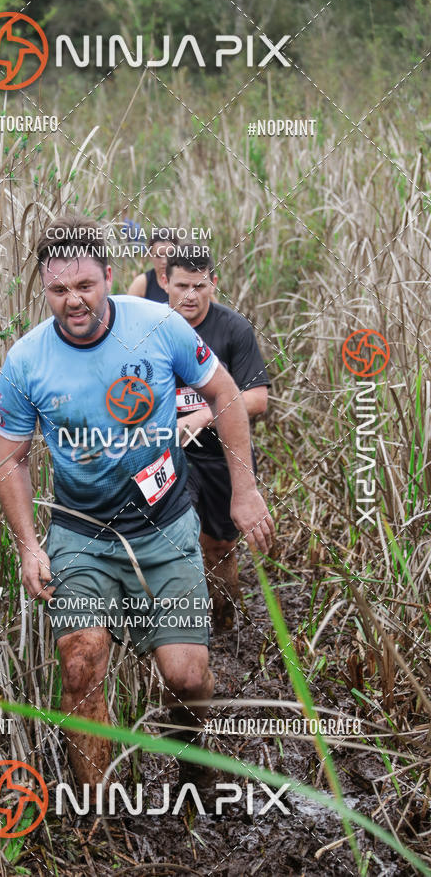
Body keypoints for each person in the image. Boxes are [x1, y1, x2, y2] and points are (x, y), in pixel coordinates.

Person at [0, 215, 274, 801]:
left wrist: (244, 490)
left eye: (85, 286)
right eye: (59, 290)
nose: (73, 301)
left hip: (165, 526)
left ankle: (195, 775)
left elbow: (226, 394)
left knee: (187, 677)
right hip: (82, 531)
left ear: (109, 277)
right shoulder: (26, 361)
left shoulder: (159, 326)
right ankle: (97, 813)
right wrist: (28, 544)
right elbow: (11, 460)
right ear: (43, 289)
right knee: (81, 662)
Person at [164, 245, 271, 631]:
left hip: (224, 456)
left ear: (214, 282)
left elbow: (257, 398)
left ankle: (225, 626)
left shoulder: (233, 329)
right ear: (164, 282)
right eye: (181, 286)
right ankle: (184, 632)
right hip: (172, 456)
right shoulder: (152, 330)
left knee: (219, 548)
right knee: (176, 543)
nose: (190, 295)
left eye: (199, 285)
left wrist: (206, 414)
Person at [127, 227, 172, 303]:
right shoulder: (142, 283)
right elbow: (128, 311)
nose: (164, 261)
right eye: (158, 256)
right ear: (150, 256)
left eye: (170, 255)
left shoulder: (187, 281)